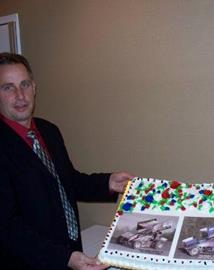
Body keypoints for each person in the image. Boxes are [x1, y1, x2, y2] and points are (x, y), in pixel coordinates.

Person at [0, 52, 135, 270]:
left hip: (70, 251)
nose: (20, 95)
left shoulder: (48, 130)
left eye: (25, 84)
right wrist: (63, 257)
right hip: (30, 262)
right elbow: (6, 228)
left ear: (34, 87)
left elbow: (66, 181)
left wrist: (107, 182)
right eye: (8, 87)